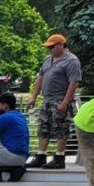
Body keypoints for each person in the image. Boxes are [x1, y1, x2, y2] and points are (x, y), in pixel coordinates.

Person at [25, 34, 82, 169]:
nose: (49, 49)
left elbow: (74, 83)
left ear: (61, 45)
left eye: (51, 46)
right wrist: (34, 96)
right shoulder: (48, 60)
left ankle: (59, 157)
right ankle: (40, 156)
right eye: (48, 47)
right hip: (47, 99)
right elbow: (40, 78)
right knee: (44, 128)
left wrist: (65, 103)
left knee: (61, 128)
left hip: (60, 99)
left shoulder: (71, 61)